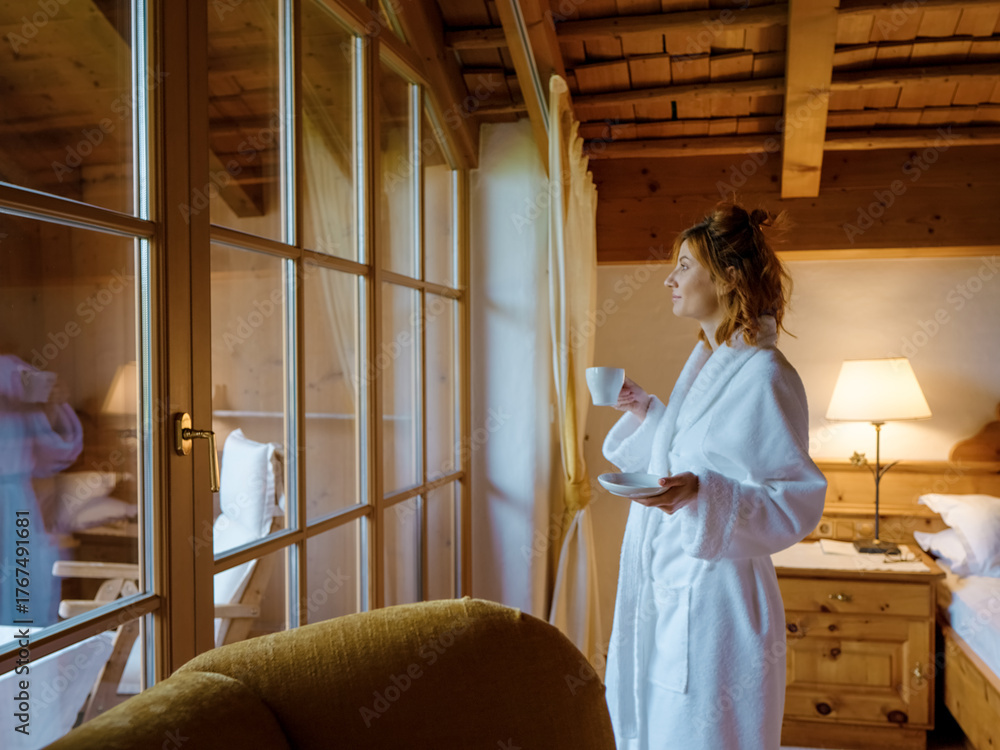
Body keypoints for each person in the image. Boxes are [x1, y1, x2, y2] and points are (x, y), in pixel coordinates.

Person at [601, 202, 827, 749]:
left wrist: (704, 495)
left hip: (717, 607)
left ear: (727, 277)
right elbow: (702, 453)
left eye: (683, 265)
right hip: (673, 589)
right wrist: (650, 412)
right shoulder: (711, 363)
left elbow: (795, 499)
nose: (669, 278)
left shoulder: (766, 375)